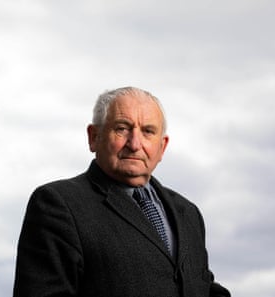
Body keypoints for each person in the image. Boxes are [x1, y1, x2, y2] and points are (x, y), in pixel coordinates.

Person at [13, 87, 230, 297]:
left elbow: (199, 286)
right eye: (122, 128)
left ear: (162, 147)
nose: (135, 144)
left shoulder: (188, 213)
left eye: (148, 131)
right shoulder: (58, 204)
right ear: (94, 137)